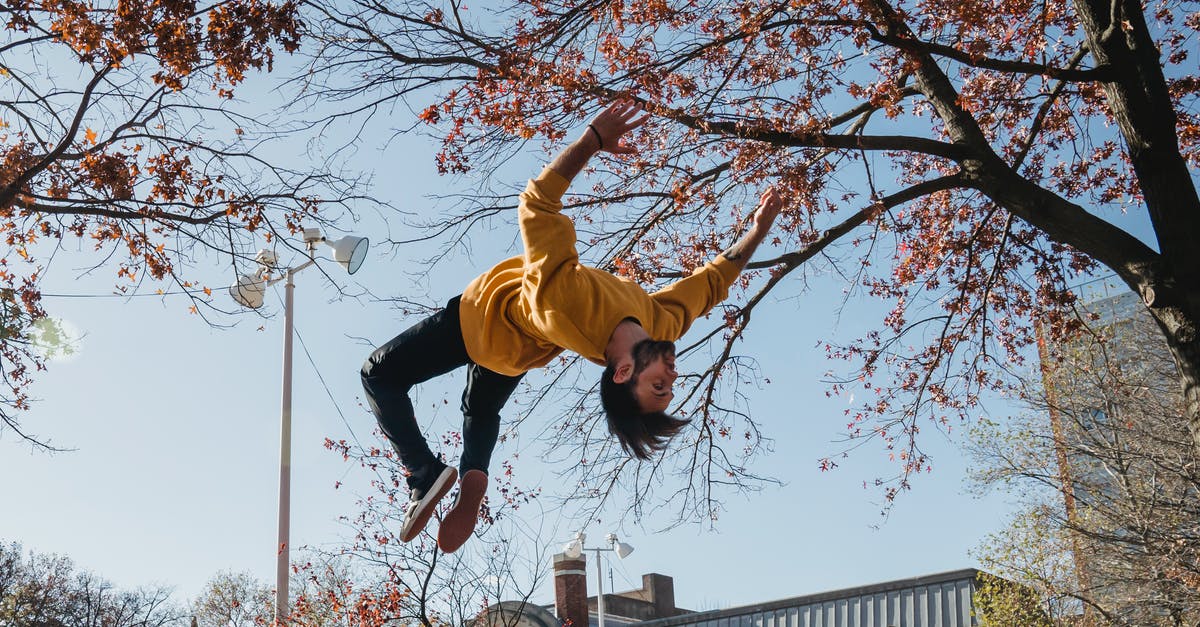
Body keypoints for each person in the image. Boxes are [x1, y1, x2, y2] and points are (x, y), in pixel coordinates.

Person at [361, 99, 783, 553]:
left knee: (378, 375)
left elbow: (537, 203)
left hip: (480, 318)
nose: (674, 375)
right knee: (480, 411)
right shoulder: (664, 322)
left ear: (623, 372)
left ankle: (422, 474)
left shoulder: (565, 298)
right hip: (518, 354)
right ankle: (474, 473)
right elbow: (713, 283)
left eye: (659, 385)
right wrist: (757, 231)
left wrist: (591, 142)